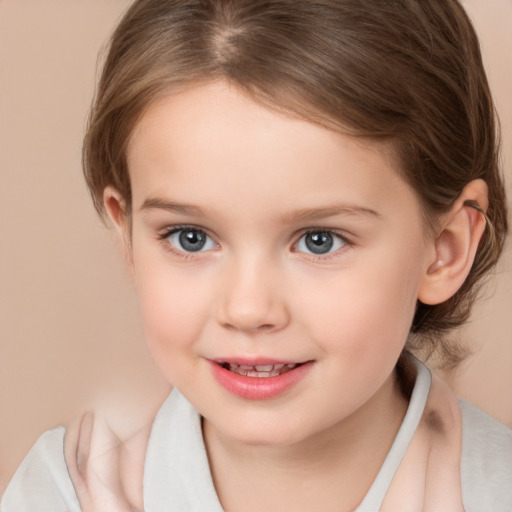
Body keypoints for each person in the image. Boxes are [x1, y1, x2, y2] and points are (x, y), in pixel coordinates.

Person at [1, 0, 511, 510]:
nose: (247, 309)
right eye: (190, 238)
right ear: (127, 232)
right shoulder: (68, 493)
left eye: (319, 240)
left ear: (444, 250)